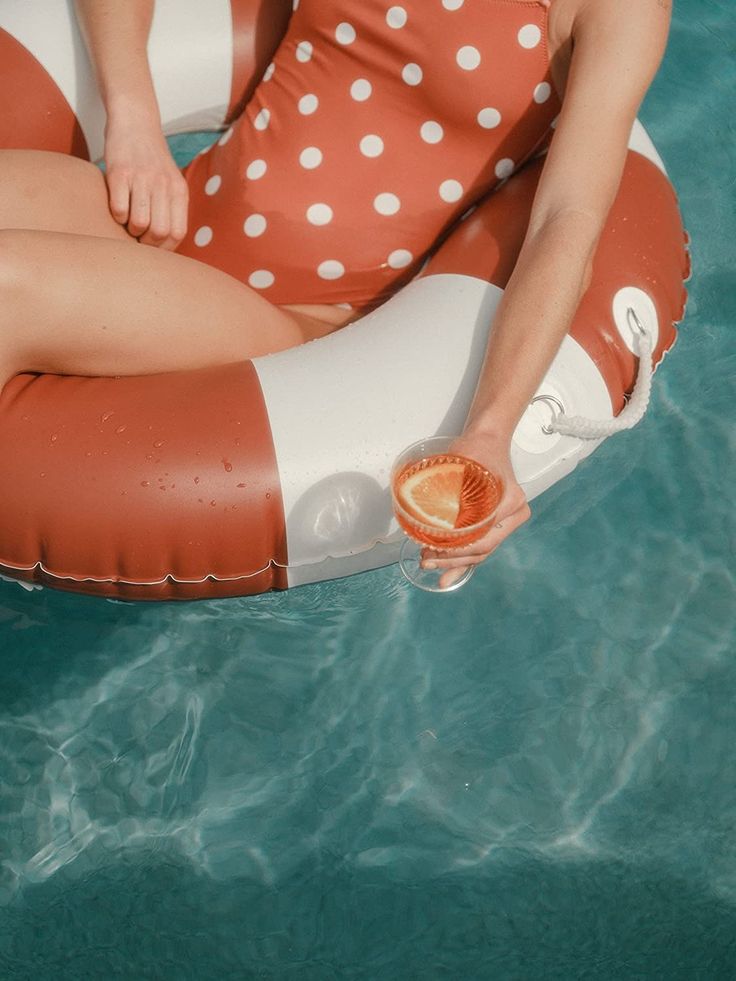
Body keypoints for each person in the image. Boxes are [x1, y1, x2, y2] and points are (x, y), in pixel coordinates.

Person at [0, 0, 671, 588]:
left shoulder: (613, 8)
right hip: (171, 217)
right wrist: (134, 120)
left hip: (285, 314)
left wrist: (489, 433)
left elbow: (566, 224)